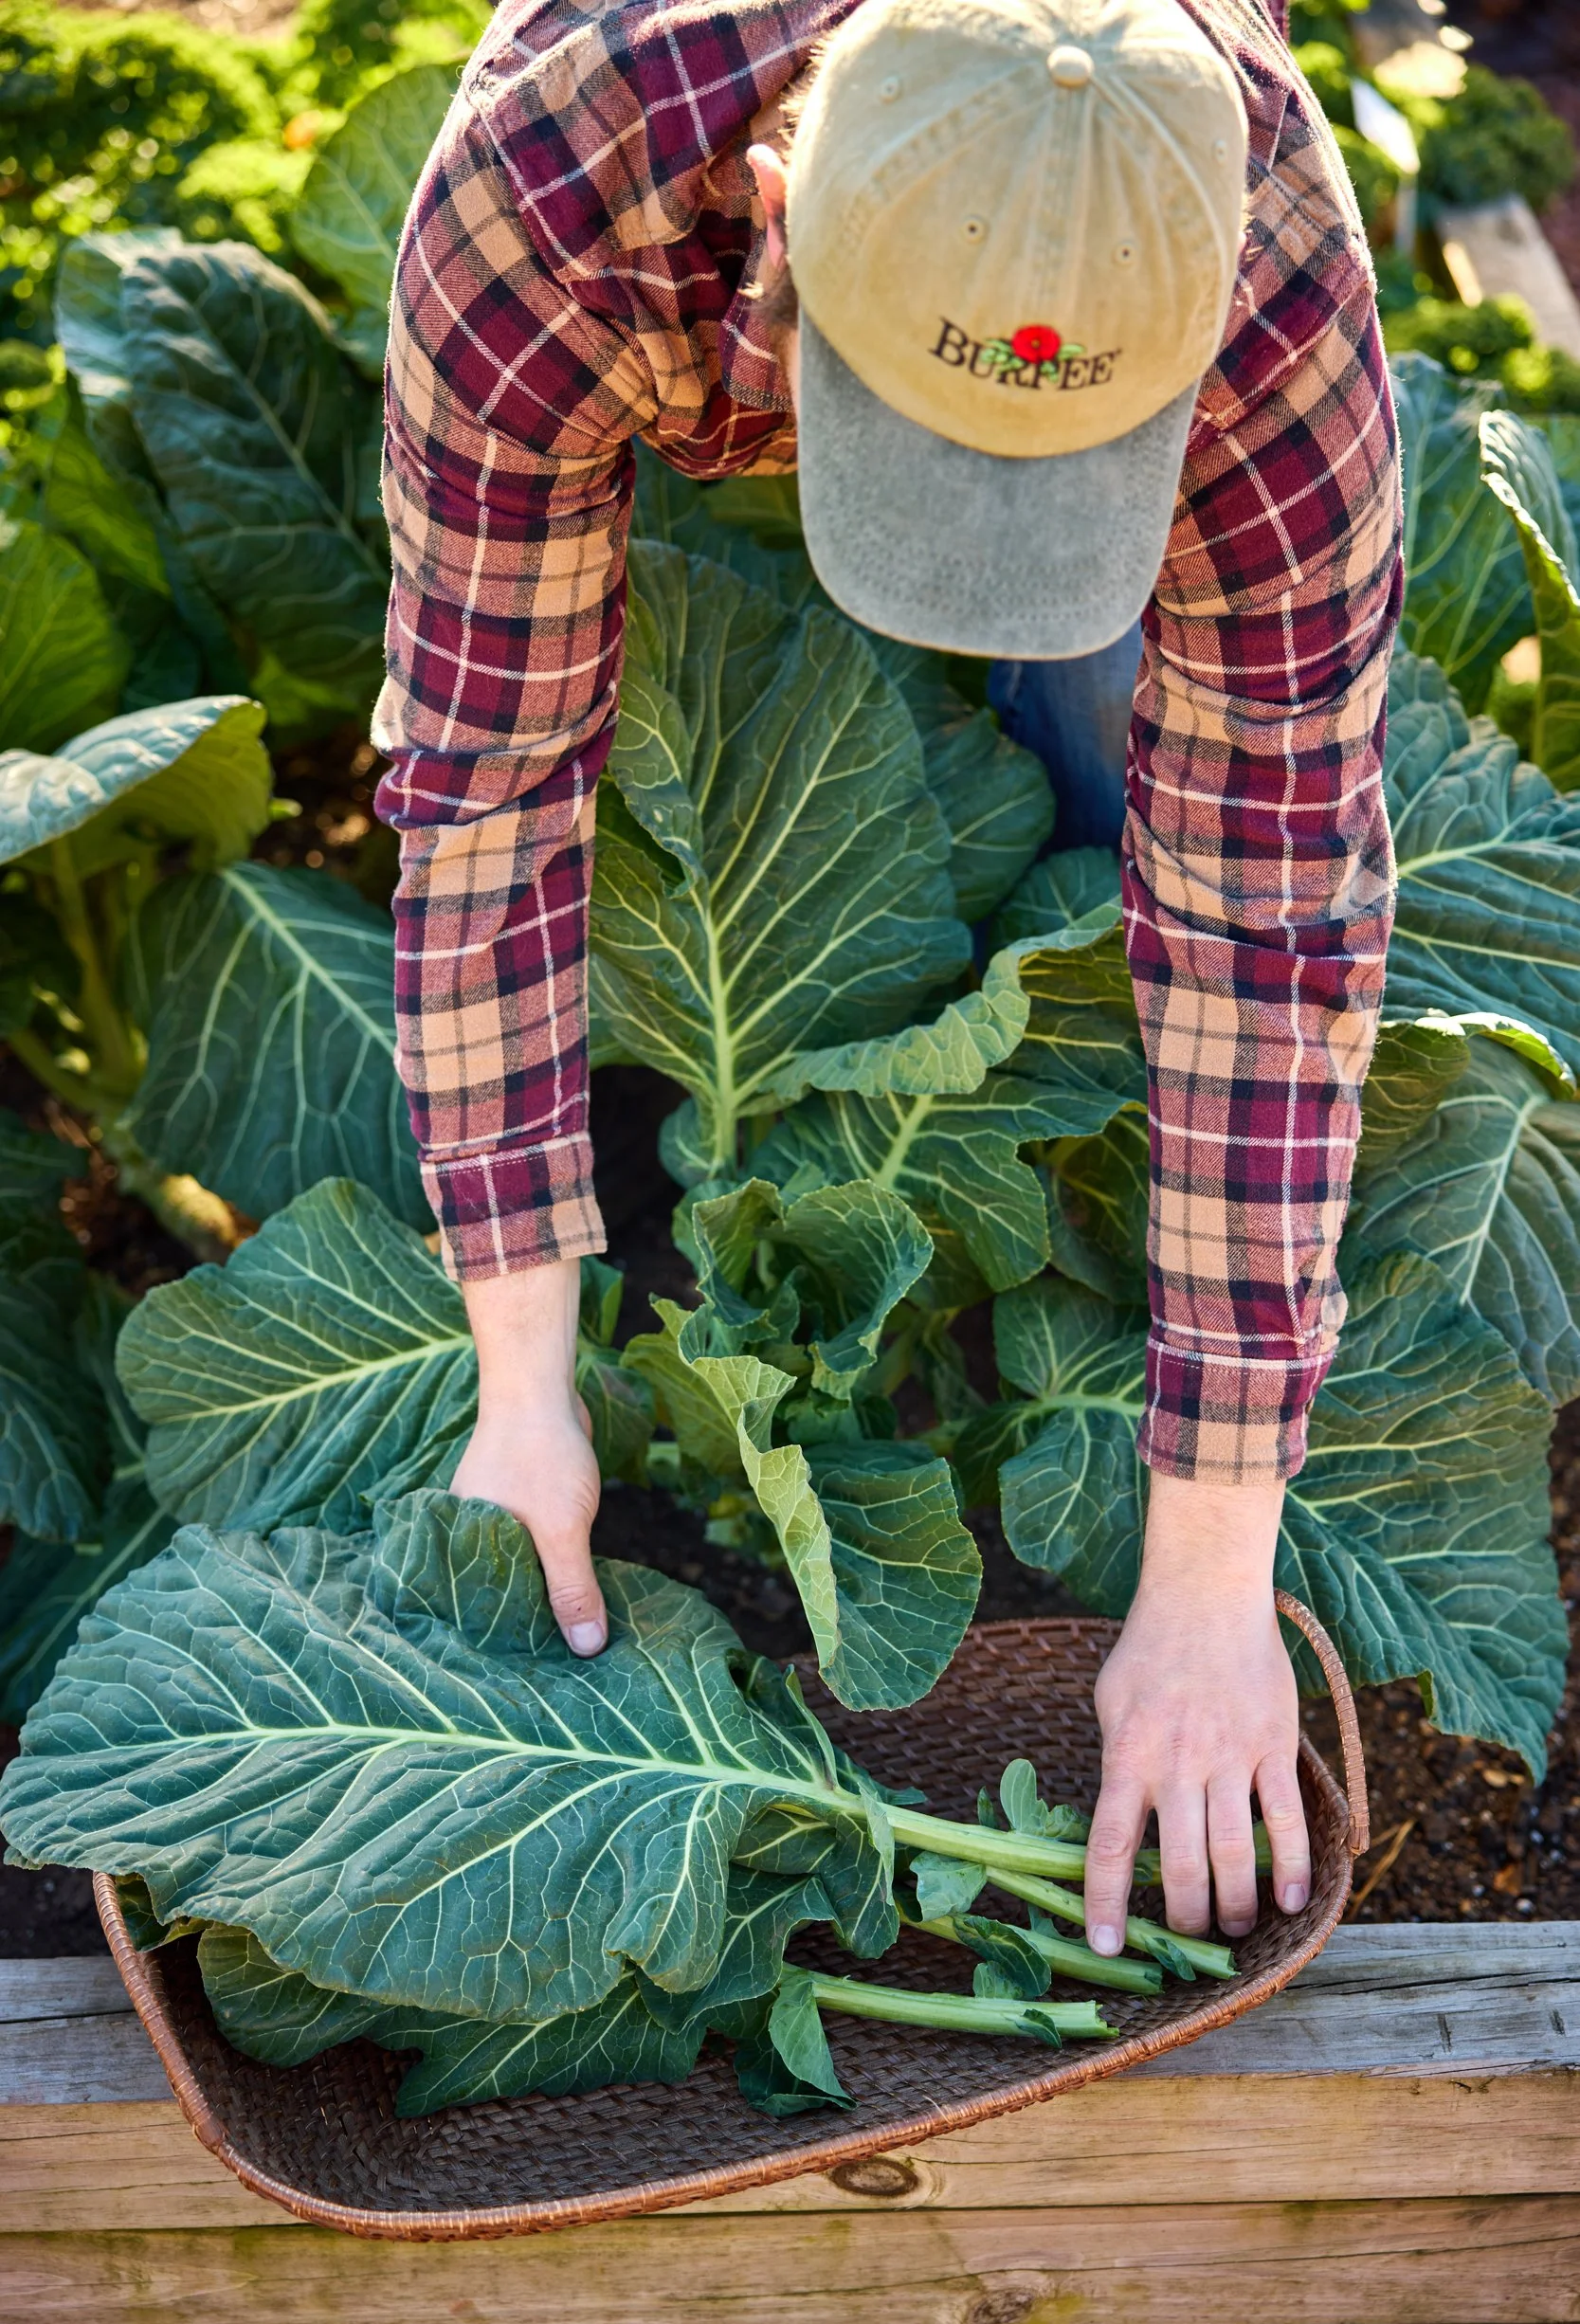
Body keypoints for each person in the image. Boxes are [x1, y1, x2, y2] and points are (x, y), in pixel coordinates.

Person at [373, 0, 1402, 1958]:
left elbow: (1273, 919)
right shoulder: (546, 199)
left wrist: (1203, 1575)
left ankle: (1107, 1122)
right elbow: (481, 795)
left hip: (1161, 367)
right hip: (651, 268)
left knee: (1134, 791)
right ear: (773, 199)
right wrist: (520, 1385)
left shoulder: (1267, 284)